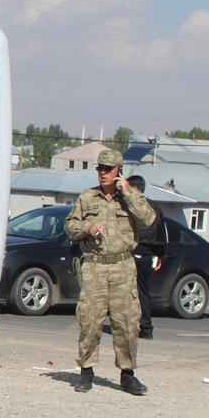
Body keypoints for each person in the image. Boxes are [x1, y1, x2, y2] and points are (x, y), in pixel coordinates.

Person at [64, 150, 157, 396]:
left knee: (125, 323)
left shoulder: (131, 196)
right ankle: (86, 372)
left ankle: (127, 375)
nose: (102, 172)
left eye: (107, 168)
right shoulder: (87, 197)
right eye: (99, 168)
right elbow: (70, 226)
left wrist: (127, 192)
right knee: (90, 320)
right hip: (94, 266)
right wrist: (87, 226)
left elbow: (149, 220)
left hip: (123, 266)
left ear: (119, 171)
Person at [128, 175, 164, 340]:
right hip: (148, 254)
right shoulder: (155, 207)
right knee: (142, 290)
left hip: (135, 252)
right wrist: (159, 254)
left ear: (135, 188)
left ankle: (141, 326)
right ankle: (146, 327)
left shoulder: (132, 206)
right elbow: (161, 235)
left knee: (130, 291)